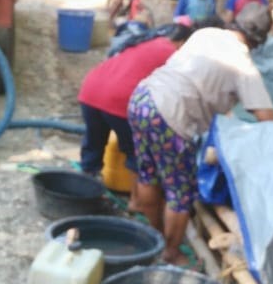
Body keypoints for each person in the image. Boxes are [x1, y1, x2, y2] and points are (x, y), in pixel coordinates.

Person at [129, 4, 273, 264]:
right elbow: (268, 122)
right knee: (180, 192)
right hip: (171, 115)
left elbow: (197, 76)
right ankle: (171, 252)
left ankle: (154, 238)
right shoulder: (244, 65)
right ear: (258, 41)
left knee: (148, 174)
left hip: (143, 96)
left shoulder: (205, 34)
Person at [78, 23, 195, 208]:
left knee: (94, 144)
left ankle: (83, 196)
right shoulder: (171, 52)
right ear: (182, 42)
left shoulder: (146, 41)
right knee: (137, 153)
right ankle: (135, 203)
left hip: (90, 91)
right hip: (119, 100)